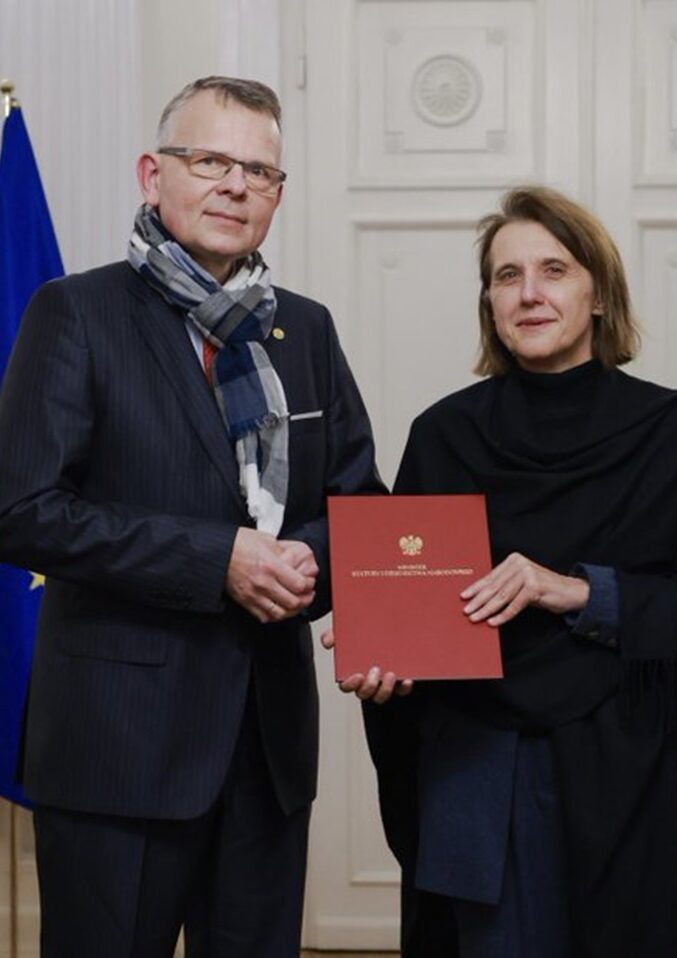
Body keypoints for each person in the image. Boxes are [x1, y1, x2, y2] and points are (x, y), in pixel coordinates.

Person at [0, 76, 383, 958]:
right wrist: (218, 561)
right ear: (154, 174)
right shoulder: (76, 312)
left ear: (277, 194)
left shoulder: (307, 330)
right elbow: (23, 510)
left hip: (267, 752)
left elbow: (358, 506)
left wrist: (305, 561)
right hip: (116, 749)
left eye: (260, 171)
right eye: (210, 160)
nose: (236, 186)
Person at [331, 186, 677, 957]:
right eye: (507, 276)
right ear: (489, 302)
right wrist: (384, 660)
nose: (530, 293)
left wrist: (577, 590)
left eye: (555, 270)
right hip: (484, 776)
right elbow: (411, 607)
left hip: (641, 768)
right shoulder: (444, 435)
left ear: (599, 294)